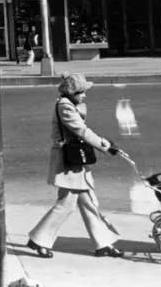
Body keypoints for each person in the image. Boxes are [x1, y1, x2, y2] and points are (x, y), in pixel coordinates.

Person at [27, 73, 125, 259]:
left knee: (89, 204)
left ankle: (103, 243)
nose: (84, 95)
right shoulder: (65, 107)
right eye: (81, 92)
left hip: (75, 161)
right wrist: (105, 145)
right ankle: (39, 239)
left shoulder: (70, 104)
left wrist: (106, 144)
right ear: (72, 92)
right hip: (68, 162)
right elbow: (82, 131)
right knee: (66, 205)